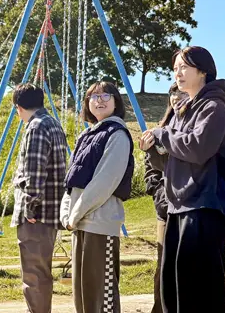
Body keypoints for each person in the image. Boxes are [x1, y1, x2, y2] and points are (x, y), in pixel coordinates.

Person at [139, 46, 225, 313]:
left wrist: (162, 135)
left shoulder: (214, 106)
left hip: (204, 207)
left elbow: (197, 148)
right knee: (174, 290)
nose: (178, 74)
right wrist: (153, 147)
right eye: (175, 69)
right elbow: (172, 160)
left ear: (203, 70)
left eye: (184, 67)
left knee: (201, 292)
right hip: (178, 207)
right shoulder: (183, 111)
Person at [61, 81, 135, 313]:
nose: (100, 100)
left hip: (100, 224)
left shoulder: (117, 134)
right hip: (79, 223)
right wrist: (66, 213)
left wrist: (75, 213)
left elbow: (105, 181)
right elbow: (71, 181)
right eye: (94, 96)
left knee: (101, 297)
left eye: (106, 95)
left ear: (116, 102)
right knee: (82, 296)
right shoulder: (87, 135)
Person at [10, 83, 69, 313]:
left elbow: (34, 172)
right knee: (40, 271)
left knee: (33, 274)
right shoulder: (53, 123)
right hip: (50, 210)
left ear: (18, 107)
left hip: (37, 214)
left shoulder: (36, 126)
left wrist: (29, 207)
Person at [143, 83, 185, 313]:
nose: (177, 96)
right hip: (166, 211)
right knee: (164, 265)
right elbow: (150, 172)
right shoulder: (159, 131)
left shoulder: (202, 125)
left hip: (192, 207)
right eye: (173, 92)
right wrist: (161, 197)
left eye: (182, 91)